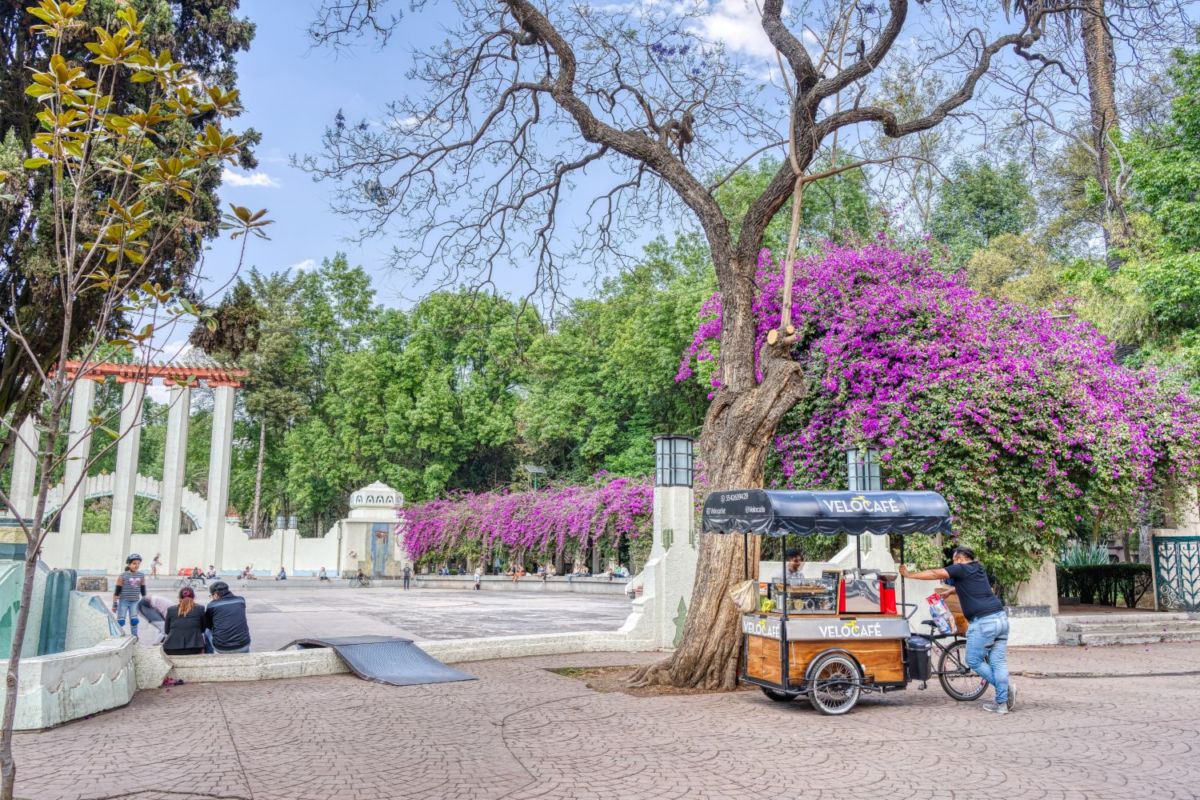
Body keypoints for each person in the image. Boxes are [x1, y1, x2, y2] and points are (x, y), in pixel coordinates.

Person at [900, 546, 1014, 714]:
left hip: (983, 622)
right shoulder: (978, 568)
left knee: (973, 660)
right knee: (998, 663)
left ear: (960, 559)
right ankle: (1002, 705)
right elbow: (973, 586)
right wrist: (951, 591)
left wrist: (909, 575)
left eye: (954, 560)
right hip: (1001, 619)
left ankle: (1004, 688)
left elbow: (934, 574)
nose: (953, 564)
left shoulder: (960, 568)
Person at [205, 581, 251, 654]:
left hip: (221, 648)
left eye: (211, 595)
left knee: (207, 631)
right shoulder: (241, 600)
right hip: (244, 646)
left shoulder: (212, 605)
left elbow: (209, 625)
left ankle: (209, 655)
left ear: (216, 594)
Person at [163, 587, 206, 656]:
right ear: (193, 597)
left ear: (179, 597)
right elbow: (203, 629)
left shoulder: (171, 610)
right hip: (195, 647)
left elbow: (167, 631)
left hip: (171, 647)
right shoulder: (200, 608)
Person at [112, 553, 147, 637]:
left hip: (135, 601)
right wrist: (114, 604)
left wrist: (145, 601)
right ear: (129, 564)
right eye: (134, 563)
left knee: (134, 620)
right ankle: (117, 635)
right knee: (121, 622)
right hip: (124, 601)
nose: (137, 565)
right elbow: (117, 591)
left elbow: (143, 590)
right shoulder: (123, 576)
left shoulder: (141, 575)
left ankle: (135, 636)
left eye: (138, 563)